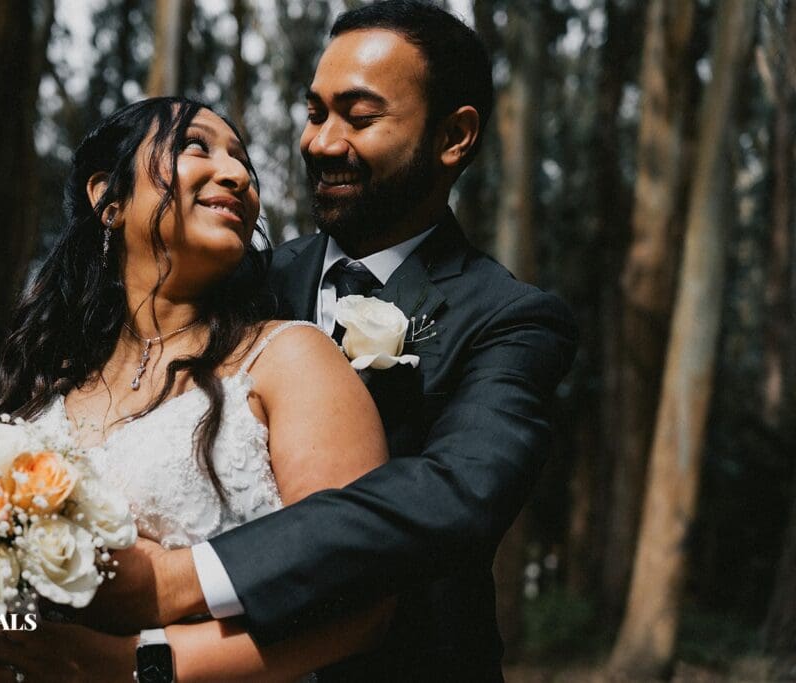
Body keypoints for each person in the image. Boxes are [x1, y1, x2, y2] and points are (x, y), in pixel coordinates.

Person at [46, 2, 578, 681]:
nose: (321, 143)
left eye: (358, 117)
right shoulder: (239, 281)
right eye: (314, 112)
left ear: (454, 136)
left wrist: (178, 580)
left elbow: (454, 494)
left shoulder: (510, 318)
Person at [0, 97, 397, 681]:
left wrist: (136, 667)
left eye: (243, 162)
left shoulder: (289, 358)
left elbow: (361, 600)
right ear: (107, 199)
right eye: (196, 146)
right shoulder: (46, 390)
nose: (239, 175)